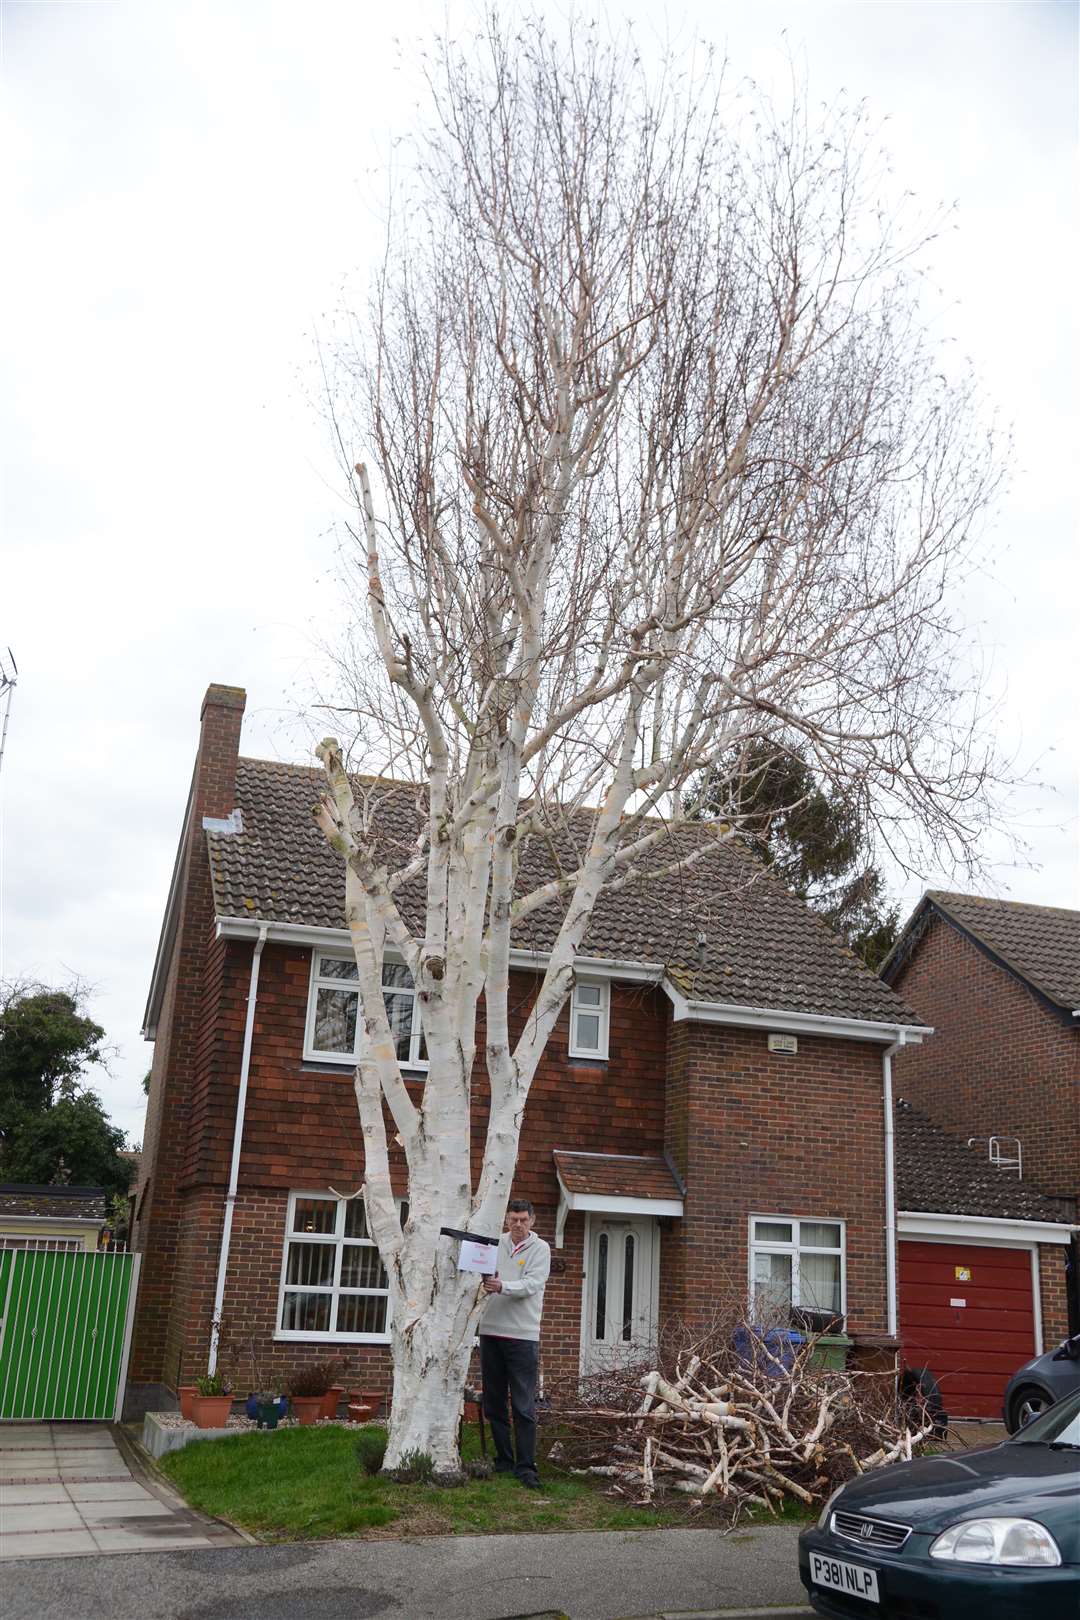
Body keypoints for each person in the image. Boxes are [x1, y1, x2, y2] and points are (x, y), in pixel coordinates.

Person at [479, 1198, 551, 1488]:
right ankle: (504, 1460)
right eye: (513, 1219)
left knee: (522, 1406)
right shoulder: (494, 1245)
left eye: (523, 1219)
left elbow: (532, 1285)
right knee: (494, 1403)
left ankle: (526, 1467)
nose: (518, 1225)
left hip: (522, 1336)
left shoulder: (540, 1249)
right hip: (490, 1332)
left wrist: (502, 1286)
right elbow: (478, 1275)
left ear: (532, 1221)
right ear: (506, 1220)